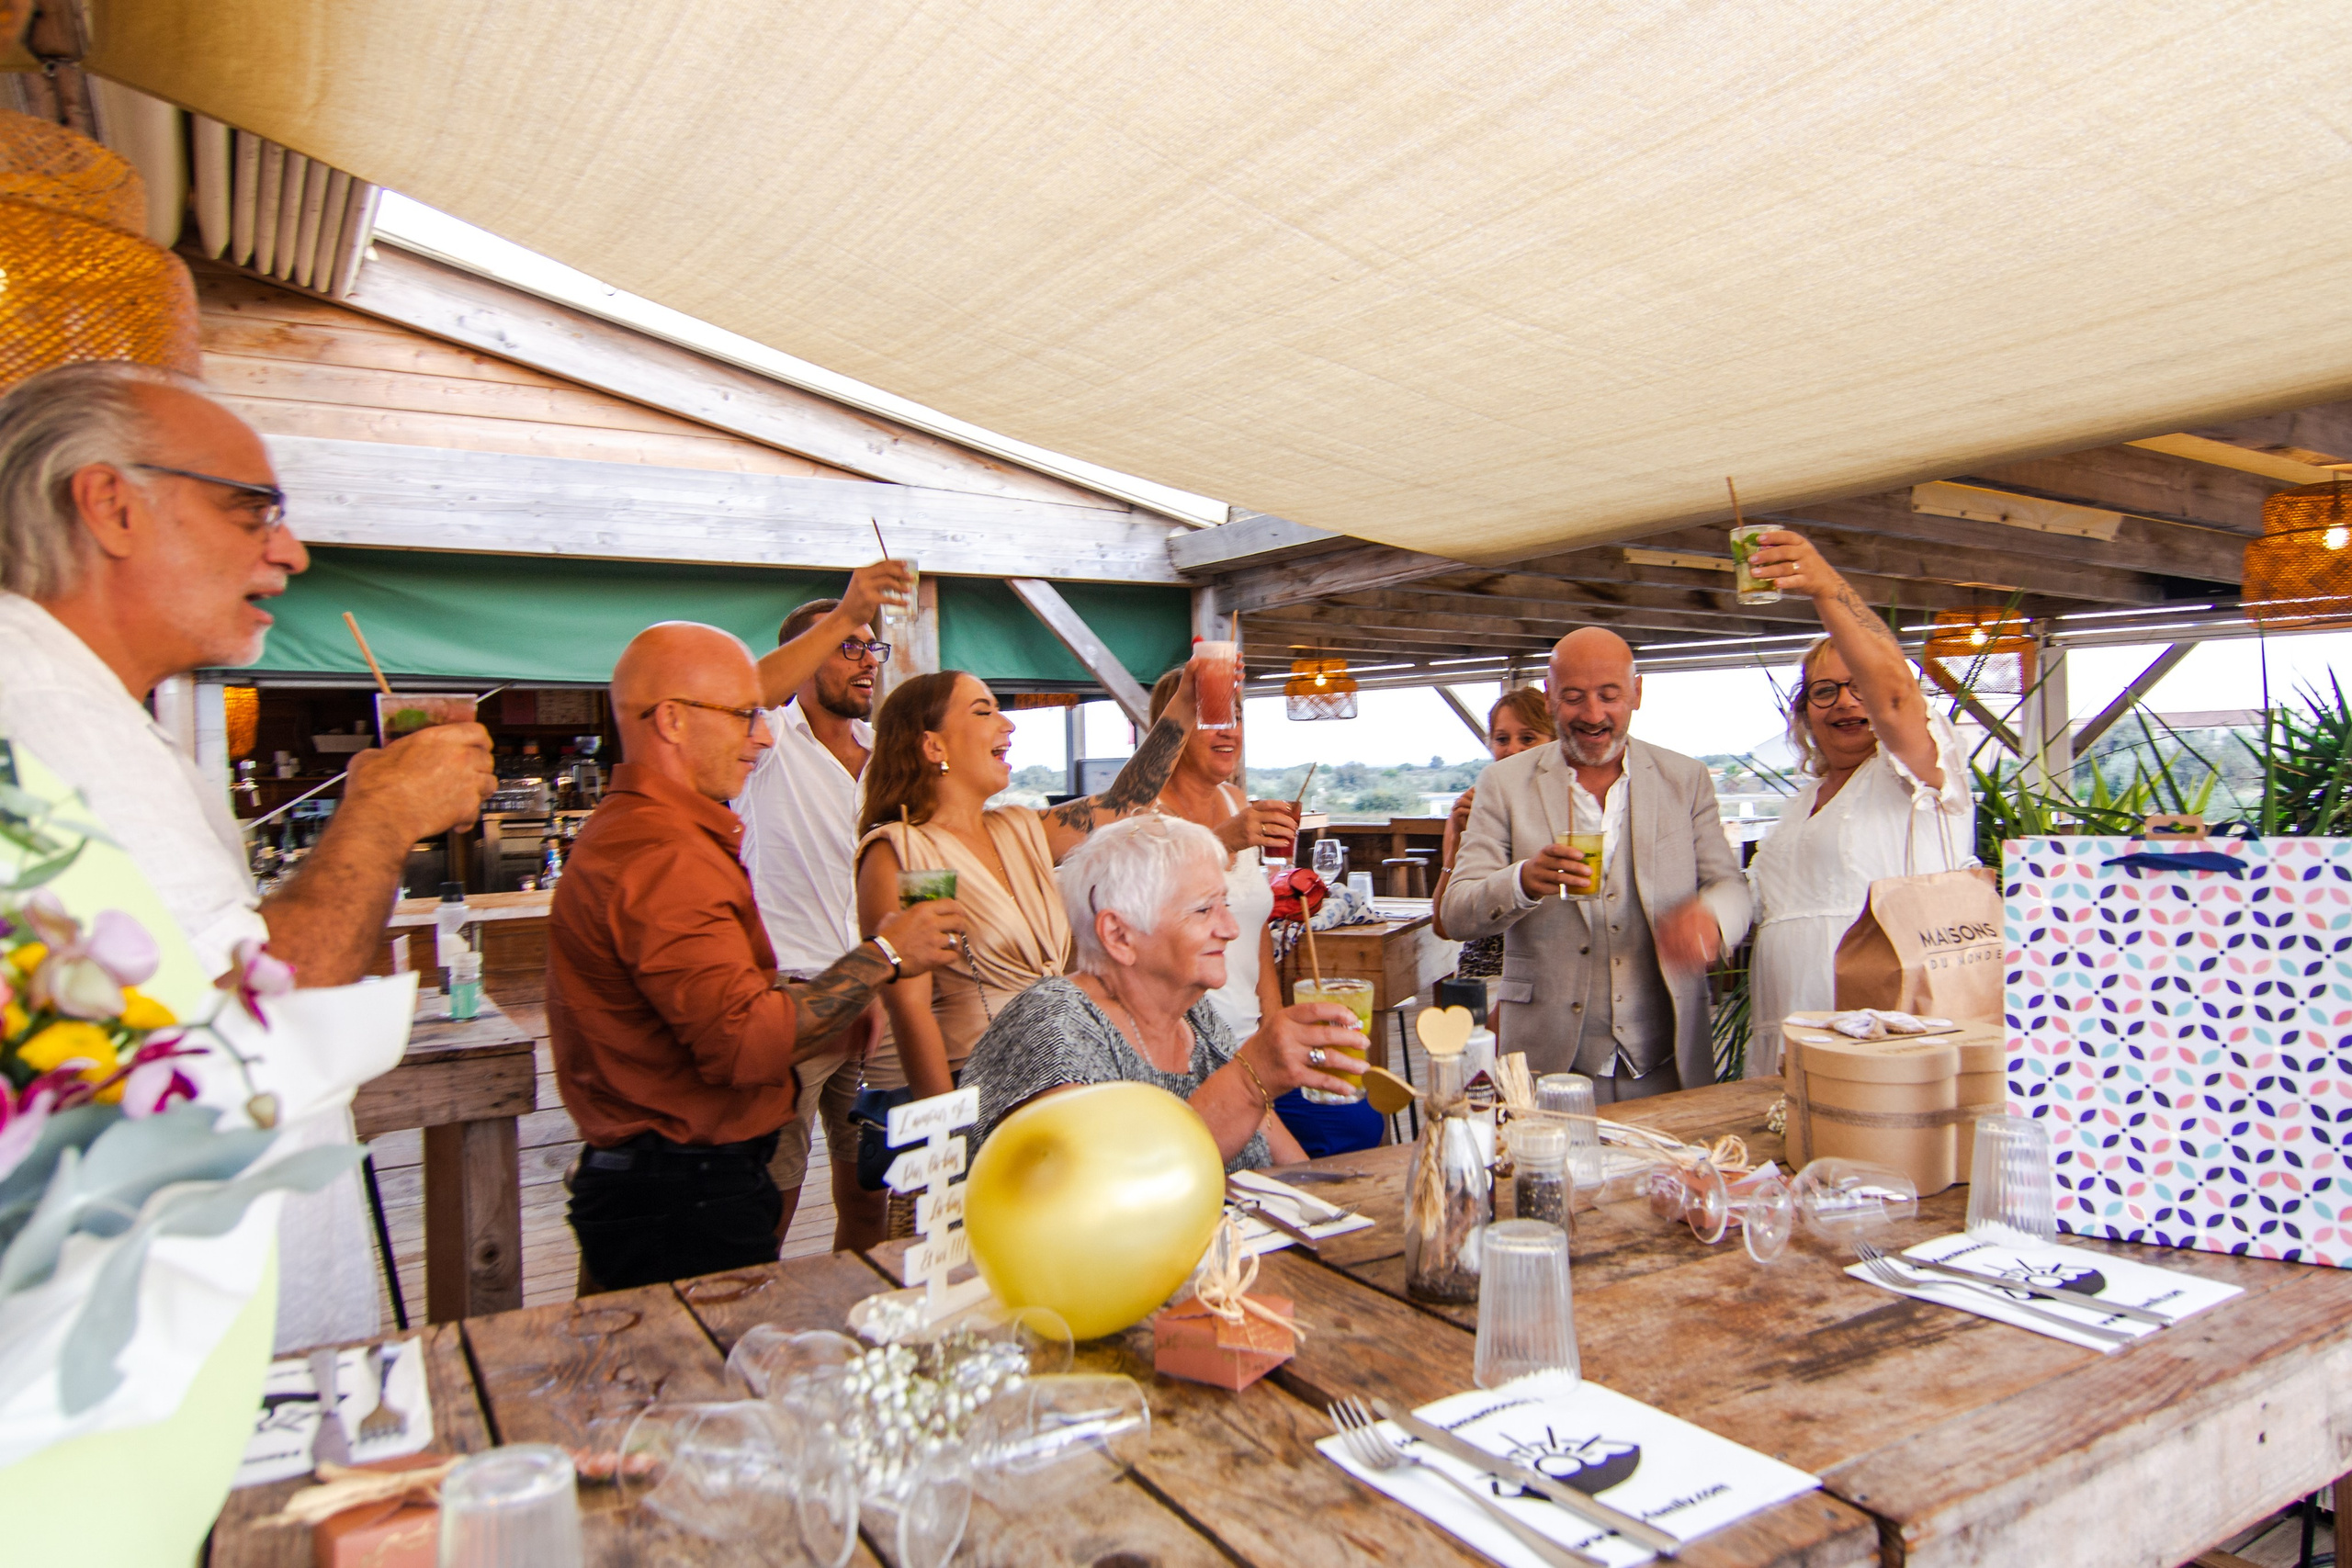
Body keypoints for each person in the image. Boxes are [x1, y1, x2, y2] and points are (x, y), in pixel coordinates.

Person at [0, 361, 496, 1350]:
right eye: (253, 510)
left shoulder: (78, 709)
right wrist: (382, 816)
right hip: (166, 1379)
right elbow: (243, 1019)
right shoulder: (48, 718)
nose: (291, 551)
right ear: (110, 505)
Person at [548, 621, 965, 1290]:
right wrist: (883, 955)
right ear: (674, 721)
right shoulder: (663, 853)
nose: (763, 733)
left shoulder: (657, 832)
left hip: (671, 1181)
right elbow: (743, 1040)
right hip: (682, 1191)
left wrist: (856, 1000)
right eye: (745, 715)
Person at [852, 660, 1206, 1113]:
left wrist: (1187, 701)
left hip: (1065, 1065)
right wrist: (952, 1130)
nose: (1008, 723)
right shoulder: (906, 853)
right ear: (933, 745)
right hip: (978, 1081)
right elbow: (911, 1009)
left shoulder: (1020, 828)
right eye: (984, 712)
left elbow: (1127, 801)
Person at [1438, 627, 1750, 1101]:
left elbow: (1731, 887)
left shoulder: (1686, 779)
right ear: (1548, 699)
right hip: (1544, 1065)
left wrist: (1712, 917)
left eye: (1609, 695)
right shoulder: (1502, 784)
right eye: (1574, 697)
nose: (1592, 714)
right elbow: (1456, 913)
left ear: (1637, 694)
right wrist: (1522, 881)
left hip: (1666, 1062)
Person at [963, 814, 1369, 1169]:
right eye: (1203, 909)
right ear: (1119, 935)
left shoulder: (1194, 1016)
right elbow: (1104, 1199)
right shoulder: (1050, 1026)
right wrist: (1249, 1080)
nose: (1230, 929)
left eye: (1224, 905)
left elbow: (1285, 1164)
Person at [1738, 528, 1976, 1077]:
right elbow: (1758, 899)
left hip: (1886, 1047)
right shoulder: (1801, 805)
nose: (1846, 702)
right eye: (1824, 691)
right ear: (1804, 713)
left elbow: (1894, 697)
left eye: (1857, 686)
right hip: (1787, 1041)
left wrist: (1825, 586)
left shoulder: (1914, 772)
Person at [1141, 667, 1369, 1156]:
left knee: (1357, 1112)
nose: (1230, 730)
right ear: (1170, 727)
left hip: (1253, 1033)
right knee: (1334, 1136)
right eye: (1211, 718)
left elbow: (1256, 932)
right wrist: (1224, 839)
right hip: (1195, 1048)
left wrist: (1275, 1021)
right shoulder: (1141, 813)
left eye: (1237, 715)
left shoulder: (1235, 801)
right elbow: (1149, 908)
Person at [735, 587, 901, 1252]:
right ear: (801, 660)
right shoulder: (765, 740)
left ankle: (856, 1328)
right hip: (791, 1007)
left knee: (871, 1199)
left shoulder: (885, 760)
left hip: (877, 1012)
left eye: (871, 647)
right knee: (767, 1202)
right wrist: (844, 611)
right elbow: (736, 693)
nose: (866, 661)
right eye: (847, 647)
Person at [1432, 685, 1558, 976]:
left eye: (1527, 738)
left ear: (1554, 742)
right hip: (1480, 972)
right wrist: (1457, 845)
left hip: (1543, 976)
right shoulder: (1470, 808)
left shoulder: (1564, 810)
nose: (1512, 749)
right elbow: (1442, 925)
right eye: (1502, 739)